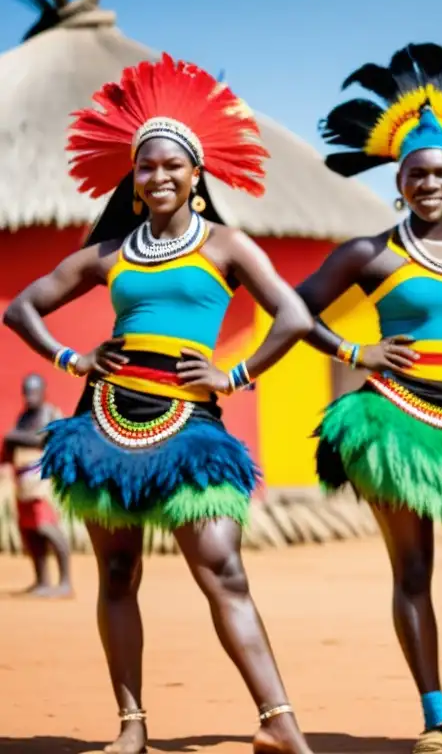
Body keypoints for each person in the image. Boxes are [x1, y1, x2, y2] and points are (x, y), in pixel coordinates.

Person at [2, 54, 316, 754]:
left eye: (173, 165)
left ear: (196, 174)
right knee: (118, 573)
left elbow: (292, 315)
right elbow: (22, 308)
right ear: (134, 182)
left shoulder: (228, 245)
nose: (159, 176)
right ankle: (132, 727)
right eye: (146, 168)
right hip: (105, 423)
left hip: (191, 427)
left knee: (223, 567)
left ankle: (280, 721)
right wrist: (70, 358)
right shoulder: (110, 253)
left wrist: (234, 376)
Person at [297, 43, 442, 754]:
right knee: (416, 569)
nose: (430, 183)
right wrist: (353, 351)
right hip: (391, 421)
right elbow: (295, 309)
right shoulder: (371, 253)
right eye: (418, 174)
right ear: (400, 182)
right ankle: (435, 715)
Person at [1, 373, 71, 596]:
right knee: (31, 532)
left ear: (42, 391)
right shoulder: (24, 417)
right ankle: (42, 581)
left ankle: (65, 582)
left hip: (42, 480)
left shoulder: (50, 413)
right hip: (23, 481)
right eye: (26, 392)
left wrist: (14, 437)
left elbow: (42, 440)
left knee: (46, 526)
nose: (29, 397)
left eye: (33, 392)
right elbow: (13, 443)